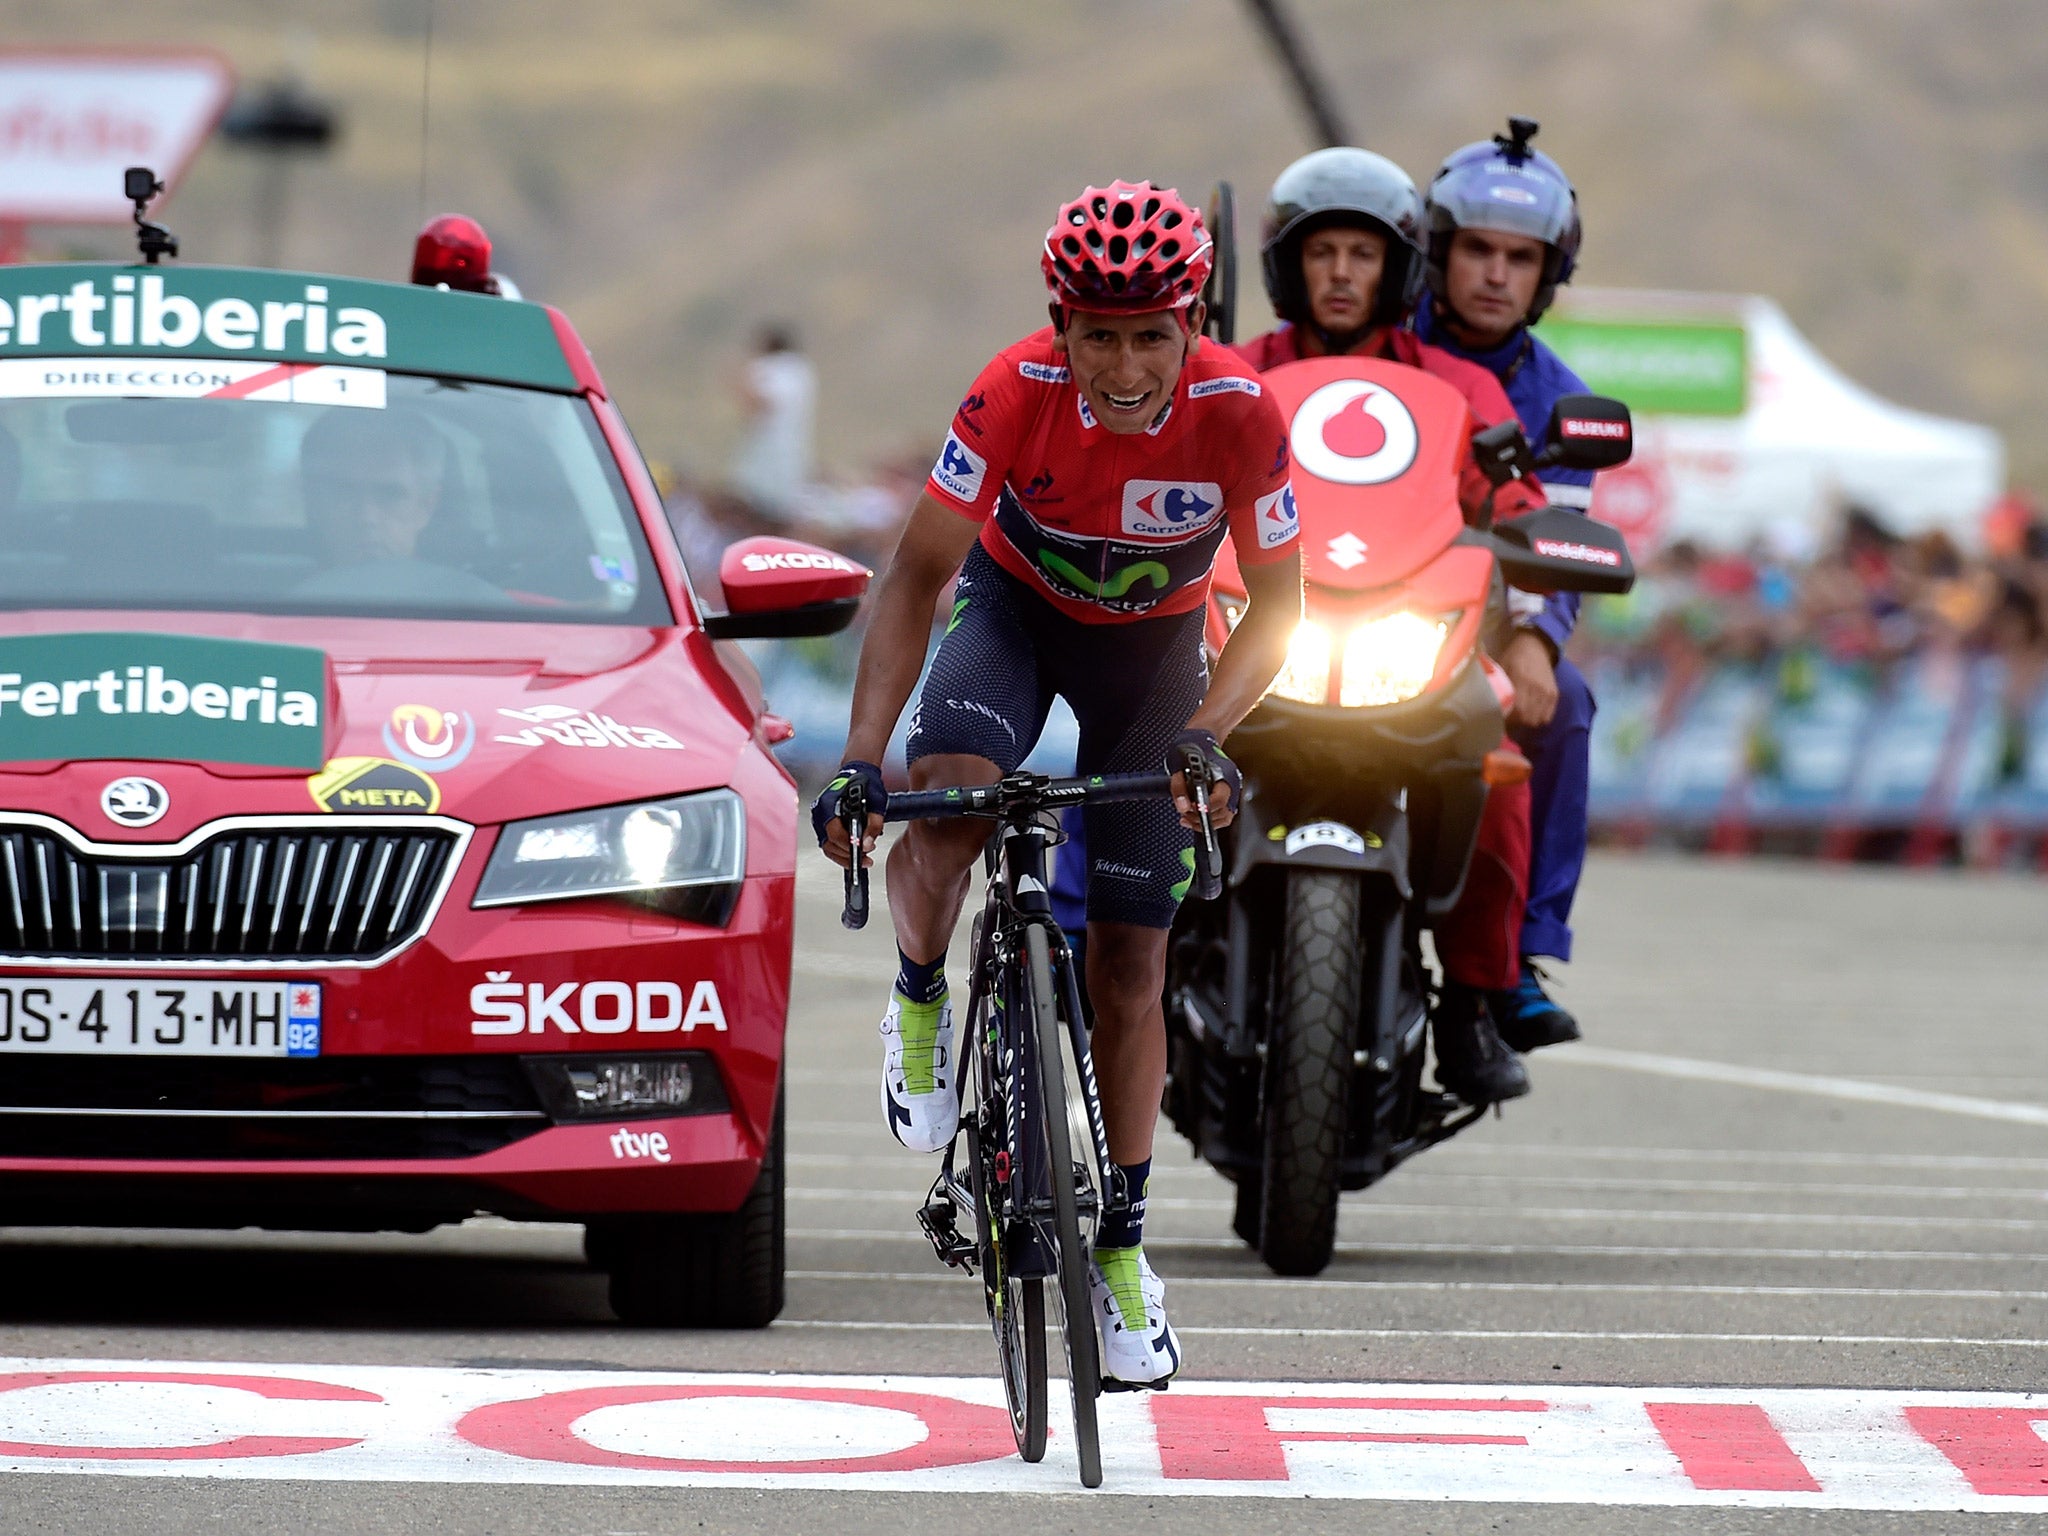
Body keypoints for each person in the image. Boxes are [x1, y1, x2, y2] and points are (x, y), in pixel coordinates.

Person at [814, 181, 1301, 1386]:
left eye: (1150, 334)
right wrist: (859, 762)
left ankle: (1124, 1247)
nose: (1124, 365)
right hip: (1013, 614)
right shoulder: (1007, 390)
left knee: (1130, 959)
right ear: (1058, 325)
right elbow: (916, 574)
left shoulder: (1240, 411)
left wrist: (1209, 728)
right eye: (1097, 334)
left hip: (1155, 653)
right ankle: (922, 996)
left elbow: (1283, 604)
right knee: (951, 792)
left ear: (1192, 323)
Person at [1052, 147, 1542, 1102]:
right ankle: (1081, 946)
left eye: (1365, 253)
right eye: (1324, 254)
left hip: (1405, 642)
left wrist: (1543, 552)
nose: (1344, 273)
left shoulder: (1462, 388)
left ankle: (1476, 1002)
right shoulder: (1225, 369)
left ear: (1401, 267)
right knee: (1120, 740)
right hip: (1244, 635)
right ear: (1287, 266)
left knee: (1502, 756)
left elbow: (1512, 498)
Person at [1414, 116, 1598, 1051]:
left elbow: (1558, 545)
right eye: (1477, 249)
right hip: (1323, 612)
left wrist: (1532, 640)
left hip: (1474, 632)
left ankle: (1518, 957)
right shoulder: (1371, 342)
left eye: (1520, 258)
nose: (1495, 273)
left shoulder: (1562, 400)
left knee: (1562, 700)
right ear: (1436, 253)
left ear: (1546, 276)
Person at [294, 407, 505, 605]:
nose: (367, 517)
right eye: (344, 494)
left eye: (390, 495)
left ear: (426, 507)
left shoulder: (485, 609)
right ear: (313, 503)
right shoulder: (266, 611)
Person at [728, 322, 817, 523]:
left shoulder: (777, 369)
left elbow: (764, 403)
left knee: (760, 509)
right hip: (787, 452)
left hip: (770, 455)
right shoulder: (801, 371)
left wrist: (738, 381)